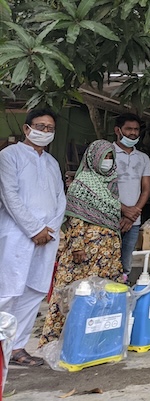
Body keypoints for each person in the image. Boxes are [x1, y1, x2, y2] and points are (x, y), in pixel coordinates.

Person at [39, 140, 124, 346]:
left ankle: (94, 340)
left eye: (111, 157)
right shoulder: (81, 183)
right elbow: (75, 218)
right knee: (70, 294)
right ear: (93, 158)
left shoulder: (112, 184)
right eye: (104, 157)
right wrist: (77, 247)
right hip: (85, 251)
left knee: (101, 295)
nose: (108, 161)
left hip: (107, 253)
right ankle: (57, 341)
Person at [0, 109, 66, 366]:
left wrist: (49, 228)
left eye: (50, 128)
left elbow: (60, 198)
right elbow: (10, 195)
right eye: (41, 126)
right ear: (27, 129)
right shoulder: (9, 155)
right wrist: (33, 229)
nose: (45, 132)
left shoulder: (52, 163)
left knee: (34, 291)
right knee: (9, 291)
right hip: (17, 234)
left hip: (47, 236)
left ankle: (17, 348)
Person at [113, 113, 150, 281]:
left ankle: (122, 292)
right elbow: (101, 189)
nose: (133, 133)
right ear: (118, 130)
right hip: (110, 217)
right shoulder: (107, 154)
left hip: (133, 221)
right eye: (129, 129)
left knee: (126, 263)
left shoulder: (143, 158)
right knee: (106, 257)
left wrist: (133, 214)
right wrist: (123, 210)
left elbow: (146, 189)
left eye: (136, 129)